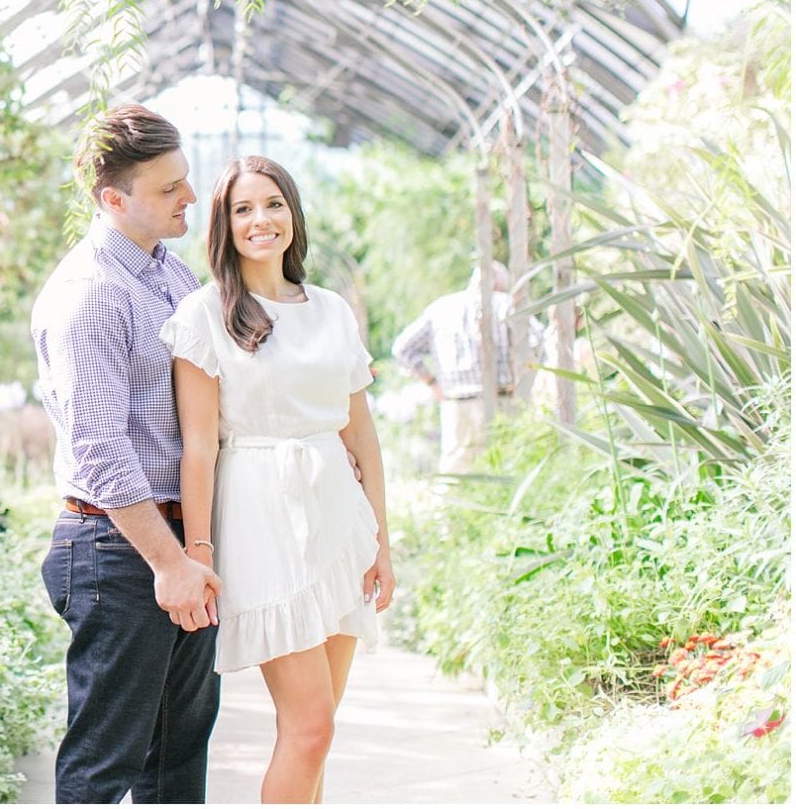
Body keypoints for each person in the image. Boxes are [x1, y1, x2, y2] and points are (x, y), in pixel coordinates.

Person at [161, 155, 394, 804]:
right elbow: (200, 447)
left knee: (319, 729)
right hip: (260, 515)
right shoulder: (205, 314)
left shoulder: (331, 310)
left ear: (292, 213)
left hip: (338, 516)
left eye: (273, 204)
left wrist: (382, 542)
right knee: (309, 728)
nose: (260, 219)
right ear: (224, 226)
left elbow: (363, 435)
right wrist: (198, 551)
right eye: (243, 209)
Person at [31, 105, 223, 803]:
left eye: (186, 180)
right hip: (121, 551)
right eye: (170, 188)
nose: (190, 199)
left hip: (179, 545)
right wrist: (169, 564)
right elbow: (102, 450)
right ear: (114, 199)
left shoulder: (171, 277)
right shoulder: (91, 295)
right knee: (104, 766)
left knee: (176, 764)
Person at [391, 264, 541, 473]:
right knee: (509, 466)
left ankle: (453, 505)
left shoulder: (441, 309)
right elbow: (537, 342)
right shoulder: (507, 304)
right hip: (503, 399)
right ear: (498, 284)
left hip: (456, 404)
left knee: (457, 470)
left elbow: (402, 349)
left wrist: (432, 382)